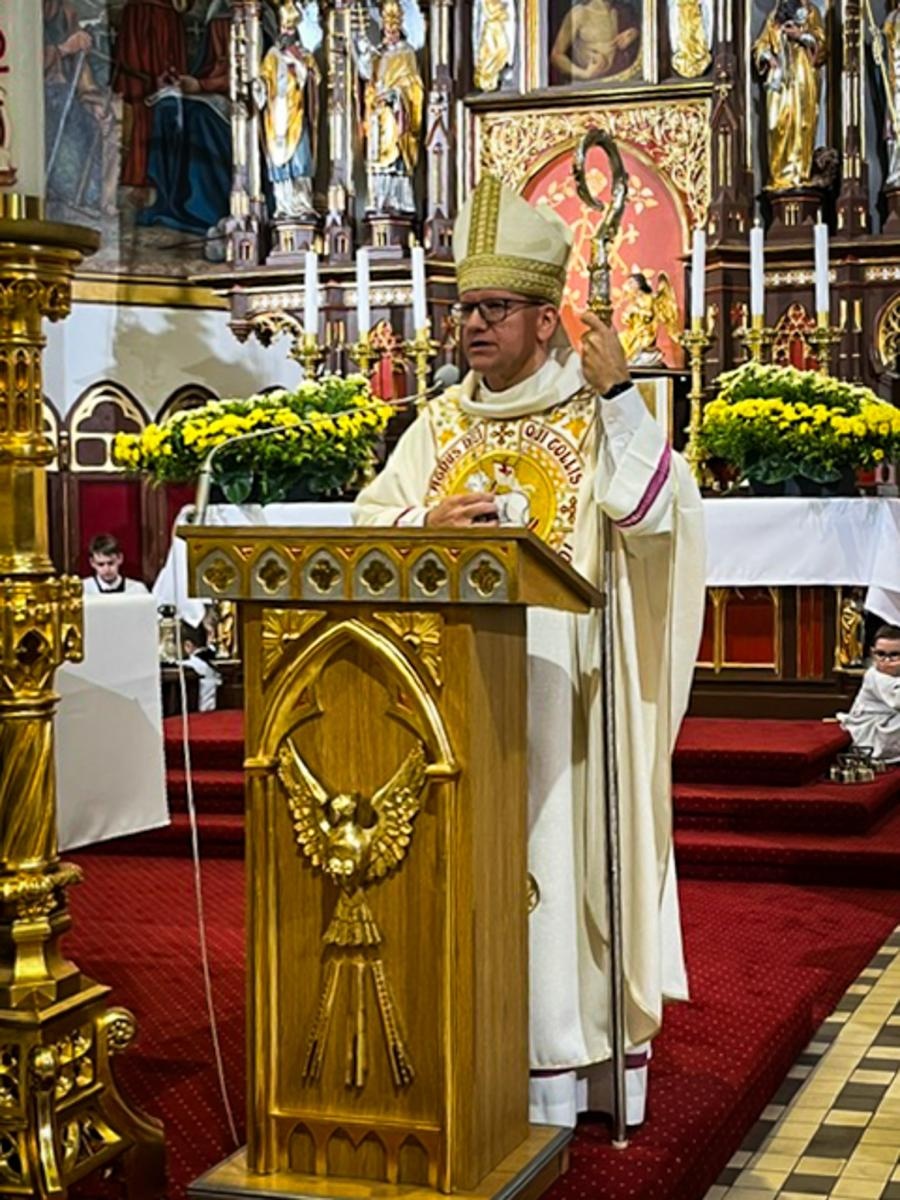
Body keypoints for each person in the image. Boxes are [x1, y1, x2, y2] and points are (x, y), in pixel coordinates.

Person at [352, 175, 707, 1127]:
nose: (471, 325)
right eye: (464, 308)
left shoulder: (598, 414)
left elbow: (652, 515)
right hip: (455, 702)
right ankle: (473, 1051)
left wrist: (627, 399)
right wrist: (426, 517)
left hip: (567, 705)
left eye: (494, 309)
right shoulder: (438, 424)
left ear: (545, 322)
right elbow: (368, 524)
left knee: (558, 876)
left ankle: (565, 1071)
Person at [355, 0, 424, 215]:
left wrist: (396, 95)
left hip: (396, 115)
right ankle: (379, 200)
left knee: (396, 159)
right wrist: (362, 50)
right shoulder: (379, 54)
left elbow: (414, 86)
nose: (390, 32)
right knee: (378, 160)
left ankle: (398, 200)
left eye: (393, 28)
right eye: (387, 28)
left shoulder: (407, 53)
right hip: (378, 116)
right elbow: (367, 77)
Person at [255, 0, 321, 219]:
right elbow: (264, 78)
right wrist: (260, 87)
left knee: (300, 158)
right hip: (276, 115)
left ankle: (302, 204)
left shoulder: (304, 54)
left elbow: (314, 80)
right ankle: (284, 205)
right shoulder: (272, 55)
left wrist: (301, 68)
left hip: (297, 113)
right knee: (278, 161)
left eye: (290, 29)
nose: (286, 33)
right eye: (284, 28)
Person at [752, 0, 827, 191]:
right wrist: (768, 57)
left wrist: (801, 35)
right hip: (780, 81)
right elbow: (760, 45)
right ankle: (779, 176)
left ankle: (800, 173)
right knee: (776, 124)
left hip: (802, 76)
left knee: (802, 122)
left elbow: (822, 45)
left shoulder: (811, 12)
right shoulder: (774, 15)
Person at [837, 624, 900, 763]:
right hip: (870, 733)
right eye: (881, 654)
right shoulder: (874, 675)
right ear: (872, 653)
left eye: (894, 655)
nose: (887, 661)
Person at [550, 0, 640, 83]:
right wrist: (584, 74)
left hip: (617, 82)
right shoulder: (579, 13)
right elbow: (556, 55)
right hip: (587, 87)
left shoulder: (622, 12)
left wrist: (635, 33)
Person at [83, 533, 149, 595]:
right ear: (92, 562)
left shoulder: (138, 590)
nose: (106, 569)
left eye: (111, 563)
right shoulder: (82, 590)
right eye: (101, 564)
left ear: (120, 558)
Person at [180, 622, 222, 712]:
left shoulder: (191, 665)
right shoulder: (211, 661)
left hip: (197, 714)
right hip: (214, 711)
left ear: (188, 646)